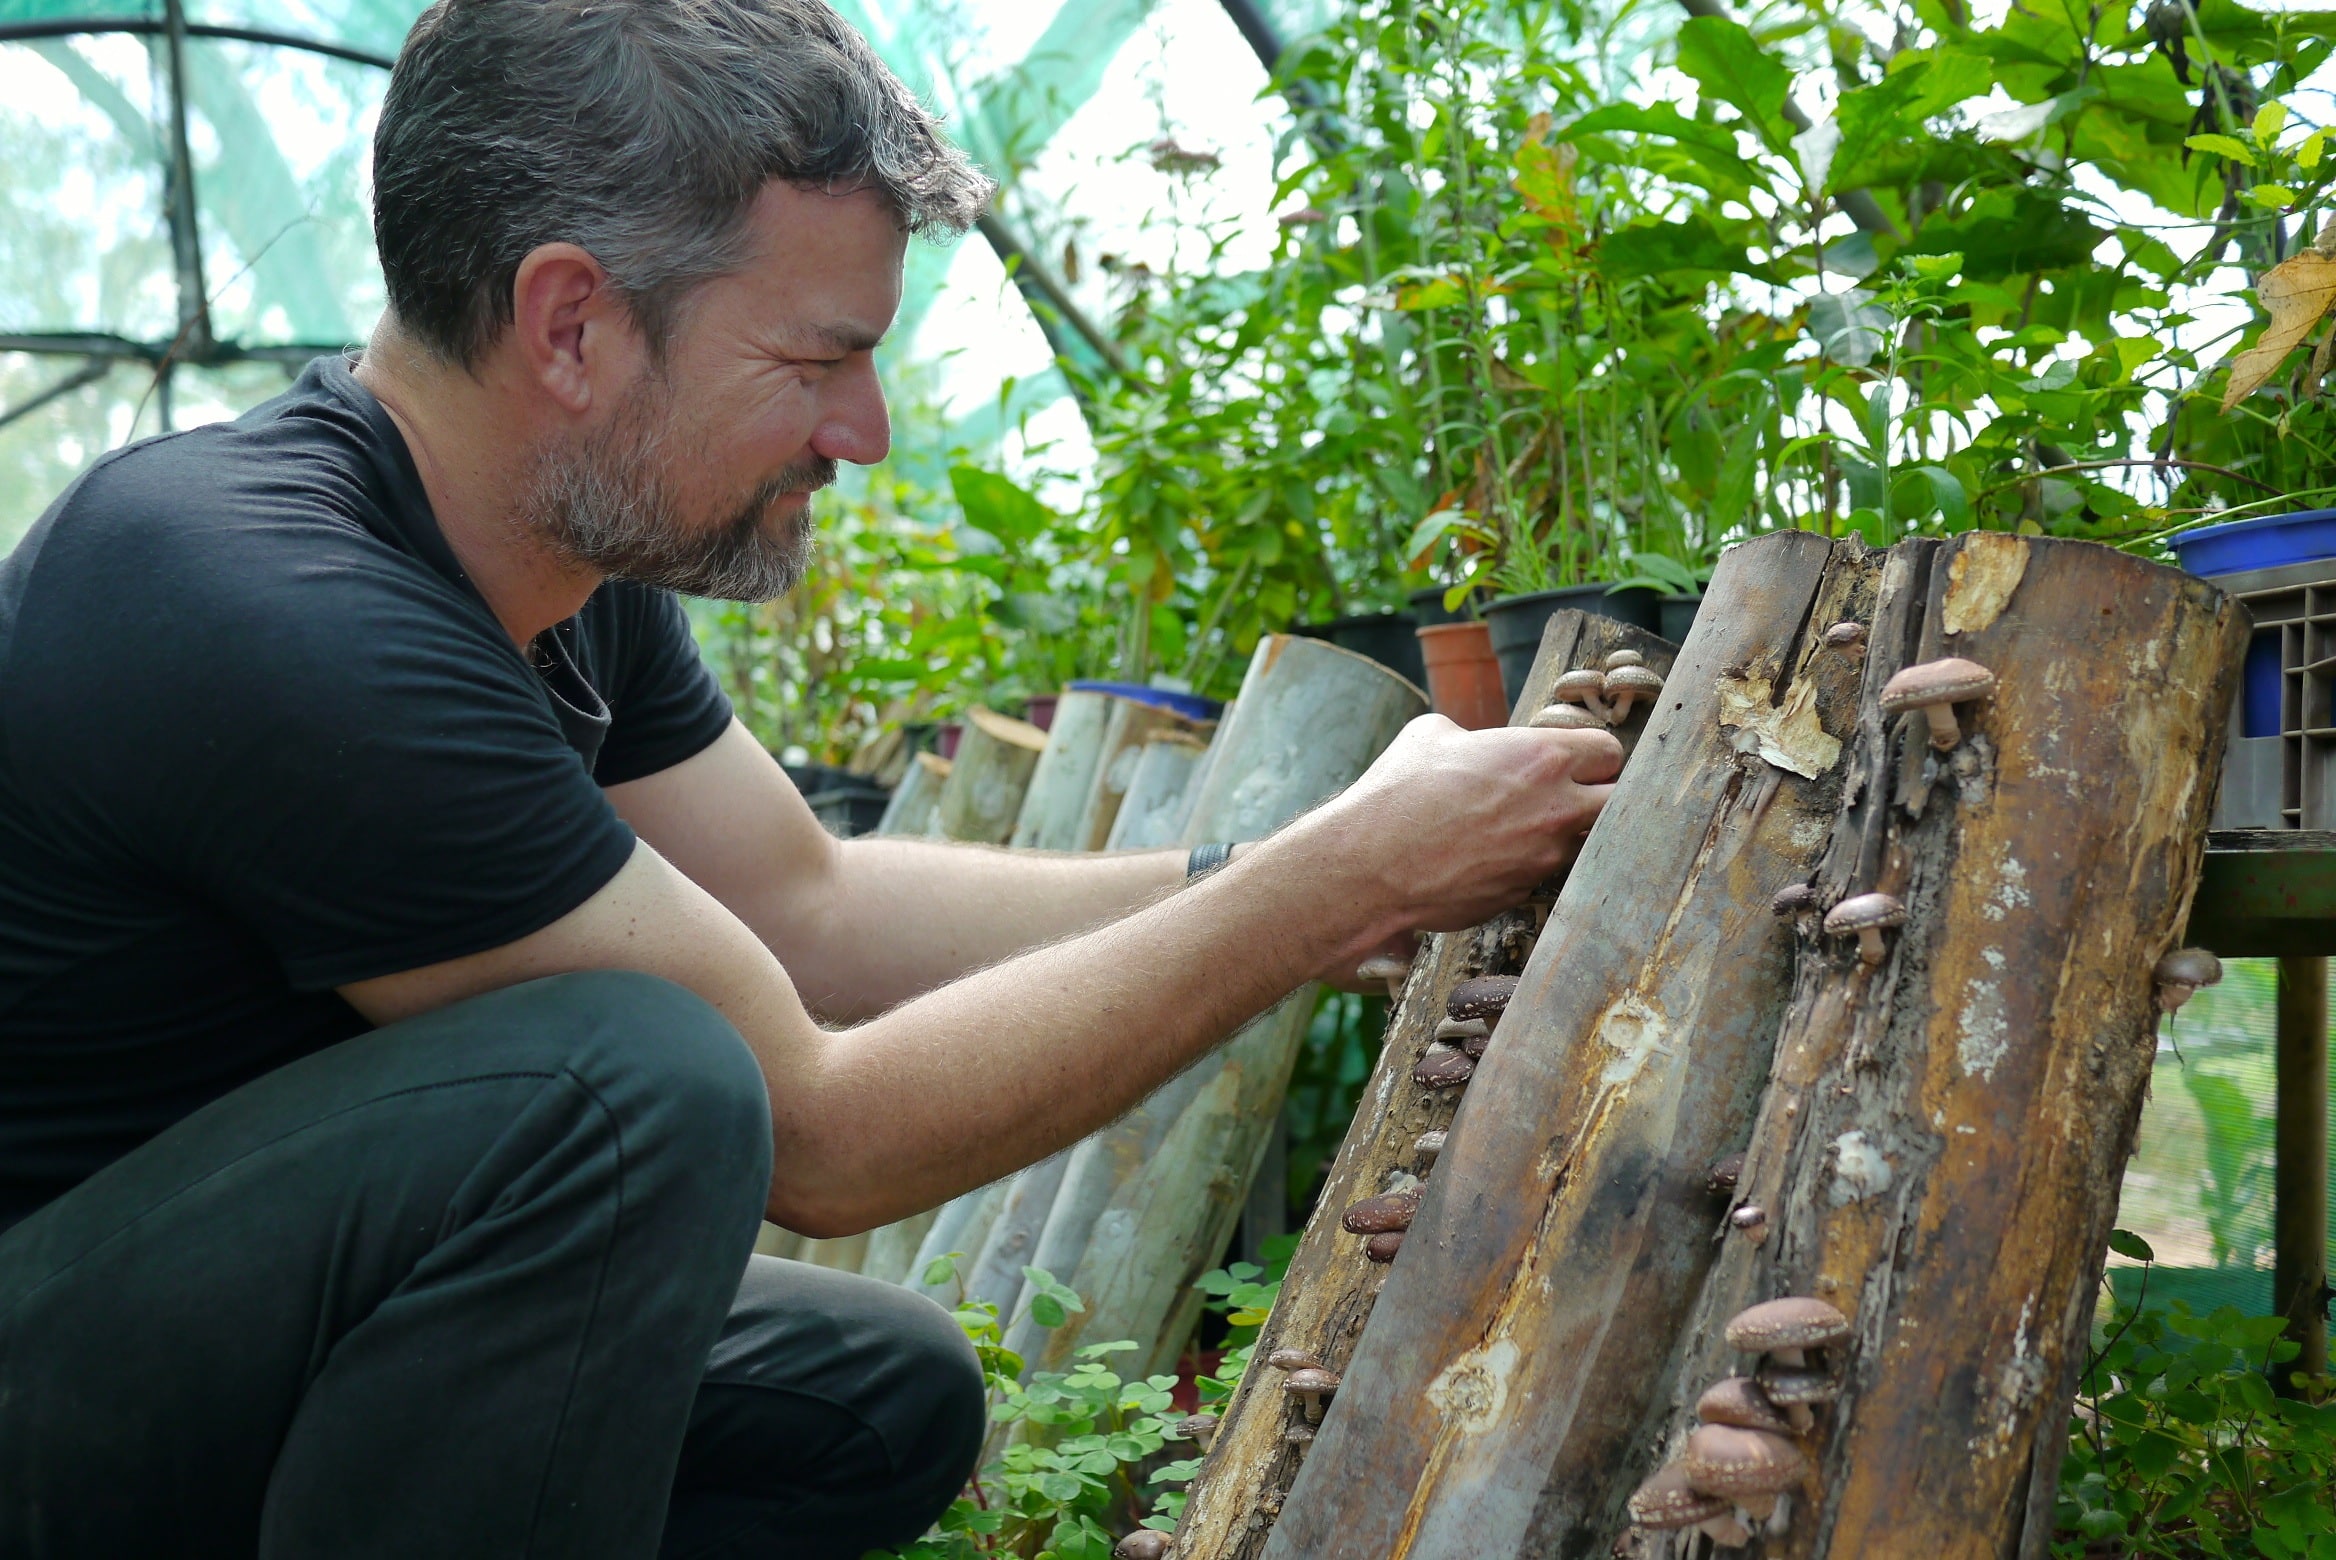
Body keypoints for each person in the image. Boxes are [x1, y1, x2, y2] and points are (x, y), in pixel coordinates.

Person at [0, 0, 1619, 1554]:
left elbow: (810, 901)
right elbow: (819, 1131)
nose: (870, 429)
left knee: (879, 1397)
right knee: (636, 1086)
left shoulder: (558, 563)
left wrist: (1288, 857)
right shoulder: (267, 609)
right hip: (42, 1401)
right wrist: (1343, 886)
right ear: (572, 324)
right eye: (817, 357)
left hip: (240, 1339)